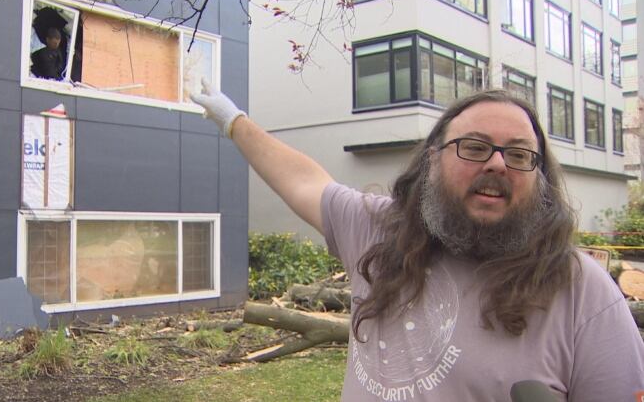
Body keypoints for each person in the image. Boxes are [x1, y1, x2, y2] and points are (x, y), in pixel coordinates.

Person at [191, 80, 644, 401]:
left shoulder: (582, 292)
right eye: (474, 146)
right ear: (433, 161)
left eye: (520, 154)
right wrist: (234, 121)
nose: (498, 164)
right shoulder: (380, 232)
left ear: (539, 178)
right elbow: (304, 182)